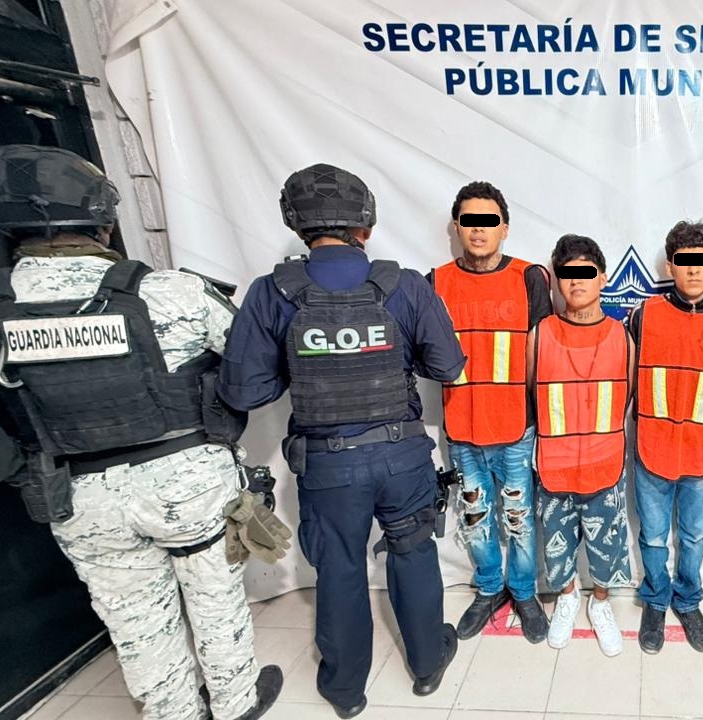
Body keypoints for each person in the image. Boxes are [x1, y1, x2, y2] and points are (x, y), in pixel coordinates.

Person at [0, 144, 281, 720]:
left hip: (77, 491)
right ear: (103, 220)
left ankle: (172, 713)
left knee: (135, 622)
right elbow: (253, 367)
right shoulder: (168, 291)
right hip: (187, 483)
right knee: (215, 601)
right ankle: (235, 704)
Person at [217, 164, 464, 718]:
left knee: (340, 569)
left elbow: (245, 391)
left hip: (328, 467)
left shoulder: (272, 292)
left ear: (297, 225)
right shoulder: (405, 286)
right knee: (413, 553)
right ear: (365, 227)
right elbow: (448, 366)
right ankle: (427, 665)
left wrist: (303, 362)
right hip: (401, 457)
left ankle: (346, 691)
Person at [429, 181, 551, 643]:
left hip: (516, 427)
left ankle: (523, 592)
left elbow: (543, 354)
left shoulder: (529, 278)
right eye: (470, 221)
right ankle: (488, 588)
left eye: (488, 221)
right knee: (475, 516)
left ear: (504, 228)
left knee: (519, 518)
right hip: (462, 426)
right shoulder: (435, 281)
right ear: (457, 227)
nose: (479, 230)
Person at [627, 220, 703, 654]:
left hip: (702, 452)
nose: (693, 269)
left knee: (694, 536)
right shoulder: (644, 316)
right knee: (653, 536)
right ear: (670, 266)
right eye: (684, 261)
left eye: (702, 261)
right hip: (651, 448)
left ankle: (689, 600)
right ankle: (656, 600)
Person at [533, 234, 634, 657]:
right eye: (567, 273)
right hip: (554, 465)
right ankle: (568, 597)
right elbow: (530, 391)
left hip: (605, 462)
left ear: (603, 278)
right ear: (557, 281)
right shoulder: (540, 334)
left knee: (607, 544)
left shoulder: (622, 337)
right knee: (556, 542)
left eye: (585, 272)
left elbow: (627, 395)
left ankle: (601, 603)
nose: (576, 281)